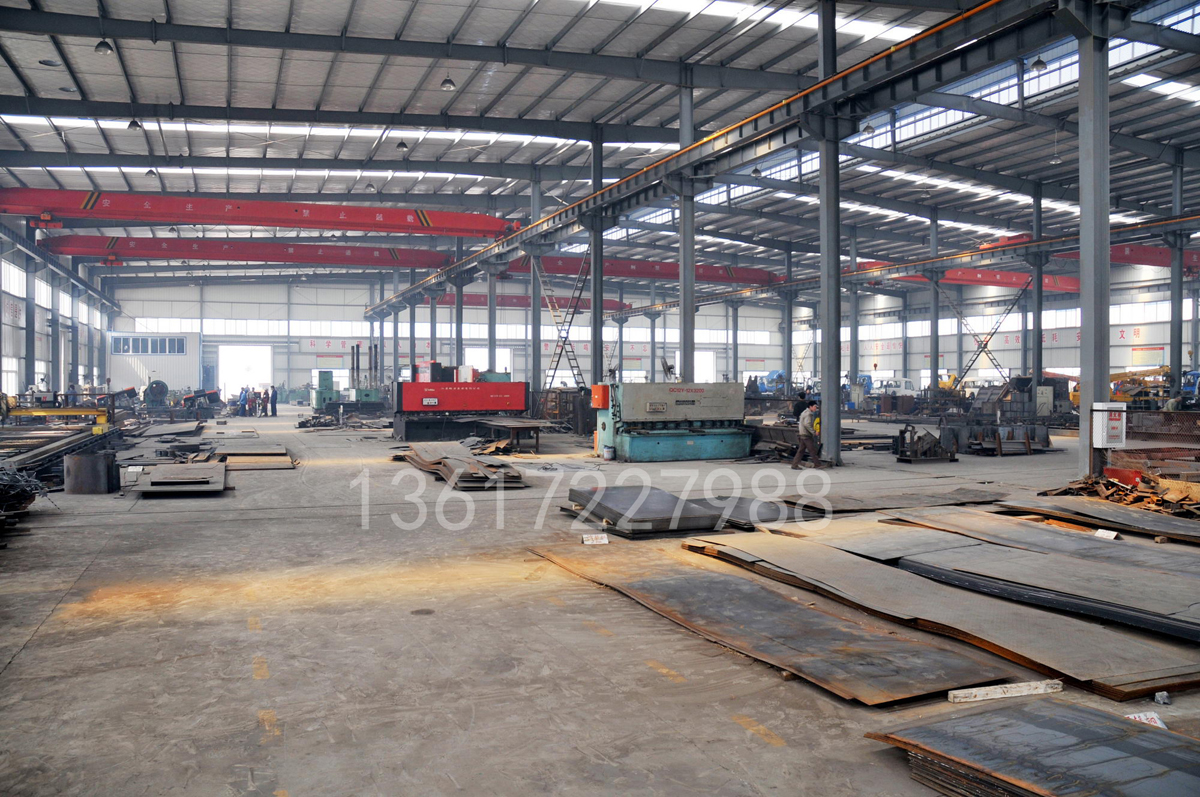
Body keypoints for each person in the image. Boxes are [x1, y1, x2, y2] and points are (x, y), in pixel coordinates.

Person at [791, 399, 822, 469]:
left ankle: (794, 465)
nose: (816, 408)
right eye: (815, 406)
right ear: (810, 406)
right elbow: (807, 424)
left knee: (801, 451)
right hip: (806, 435)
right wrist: (813, 432)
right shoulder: (809, 414)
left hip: (802, 434)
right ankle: (818, 464)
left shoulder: (804, 412)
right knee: (812, 450)